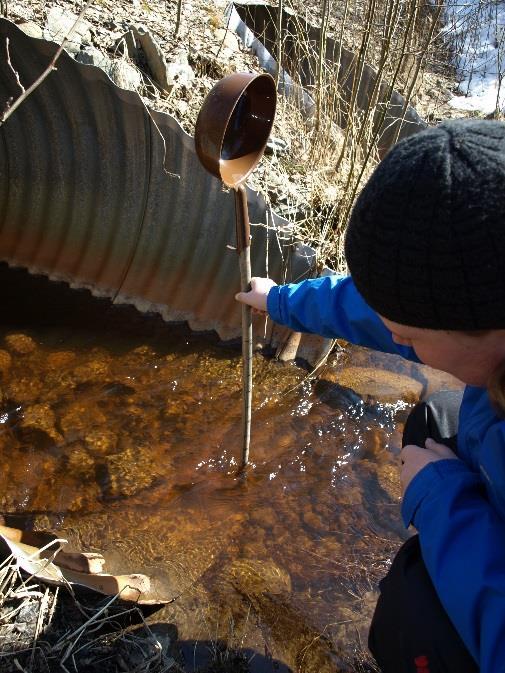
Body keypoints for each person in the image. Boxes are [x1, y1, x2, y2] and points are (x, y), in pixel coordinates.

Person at [235, 118, 505, 673]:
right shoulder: (479, 302)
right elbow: (379, 312)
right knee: (434, 420)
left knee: (414, 612)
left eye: (410, 338)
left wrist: (443, 502)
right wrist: (283, 302)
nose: (396, 343)